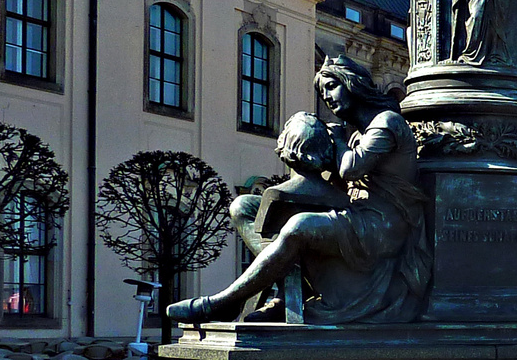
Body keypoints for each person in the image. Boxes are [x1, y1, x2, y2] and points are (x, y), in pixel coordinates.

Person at [169, 55, 431, 324]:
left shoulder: (388, 122)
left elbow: (351, 168)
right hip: (356, 215)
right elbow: (334, 184)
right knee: (244, 207)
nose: (327, 96)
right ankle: (286, 295)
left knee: (299, 226)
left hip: (383, 226)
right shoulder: (357, 135)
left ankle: (222, 303)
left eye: (331, 86)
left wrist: (338, 143)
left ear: (351, 83)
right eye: (321, 91)